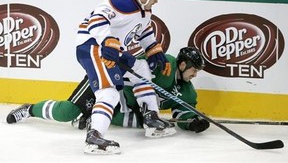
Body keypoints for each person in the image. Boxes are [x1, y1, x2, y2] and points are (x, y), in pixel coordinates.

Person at [6, 47, 210, 137]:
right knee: (67, 112)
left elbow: (183, 113)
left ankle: (90, 118)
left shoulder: (188, 92)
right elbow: (135, 69)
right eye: (194, 70)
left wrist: (192, 123)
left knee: (143, 123)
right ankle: (30, 109)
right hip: (108, 80)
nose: (195, 75)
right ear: (183, 64)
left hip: (123, 105)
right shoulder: (165, 64)